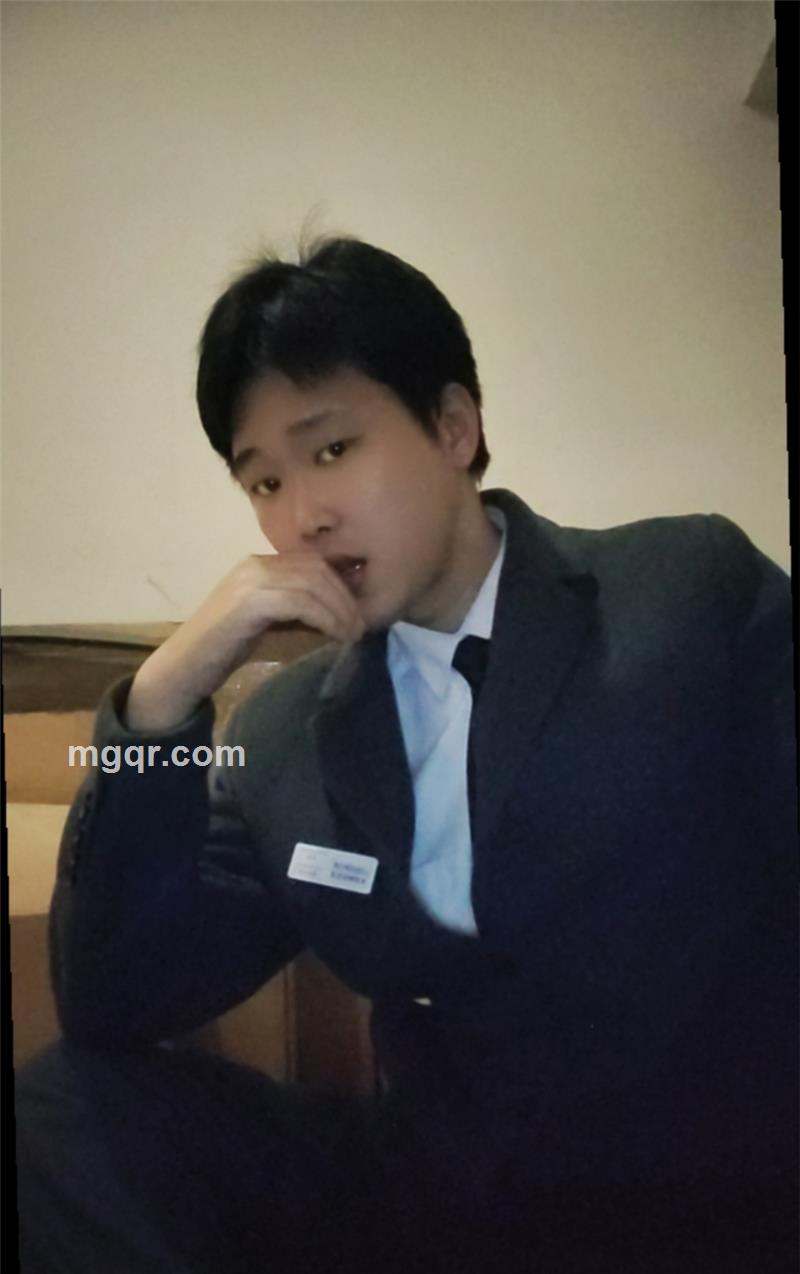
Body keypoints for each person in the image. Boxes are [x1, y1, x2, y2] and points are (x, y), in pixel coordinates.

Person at [14, 236, 797, 1273]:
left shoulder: (682, 593)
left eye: (332, 448)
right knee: (63, 1107)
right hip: (433, 1198)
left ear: (452, 425)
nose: (303, 515)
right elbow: (113, 1001)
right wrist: (156, 705)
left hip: (706, 1195)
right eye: (264, 480)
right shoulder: (284, 732)